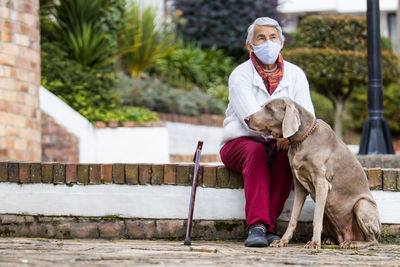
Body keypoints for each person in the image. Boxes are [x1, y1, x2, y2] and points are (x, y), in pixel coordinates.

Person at [219, 17, 315, 247]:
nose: (268, 43)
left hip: (282, 141)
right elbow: (252, 119)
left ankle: (267, 228)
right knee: (257, 152)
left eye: (273, 37)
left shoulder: (296, 74)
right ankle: (257, 226)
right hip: (240, 142)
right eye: (261, 38)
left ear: (281, 42)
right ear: (250, 45)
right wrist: (282, 135)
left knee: (287, 157)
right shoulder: (240, 75)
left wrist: (287, 139)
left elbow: (307, 115)